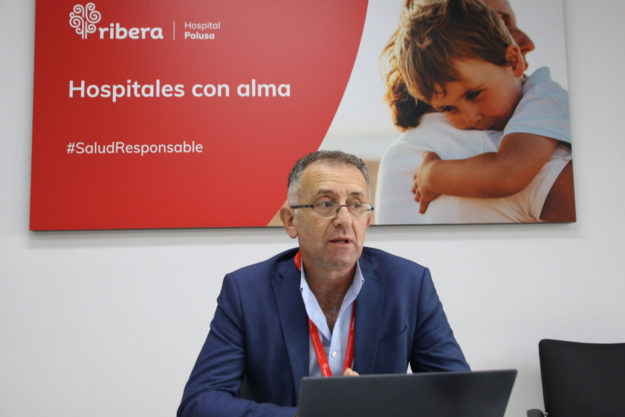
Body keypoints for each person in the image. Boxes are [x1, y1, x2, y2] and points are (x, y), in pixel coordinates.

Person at [177, 150, 469, 417]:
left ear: (367, 220)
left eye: (356, 205)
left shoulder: (409, 285)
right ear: (291, 221)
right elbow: (198, 404)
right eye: (326, 203)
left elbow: (460, 397)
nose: (344, 219)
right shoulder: (246, 292)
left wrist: (381, 406)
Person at [375, 0, 575, 224]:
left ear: (513, 61)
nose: (471, 118)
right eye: (449, 108)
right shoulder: (482, 141)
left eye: (474, 94)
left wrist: (433, 174)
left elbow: (507, 173)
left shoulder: (543, 99)